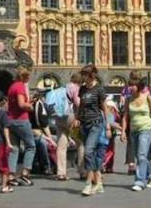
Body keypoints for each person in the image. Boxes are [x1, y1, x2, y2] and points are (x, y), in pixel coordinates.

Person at [126, 79, 151, 192]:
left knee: (141, 156)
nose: (131, 87)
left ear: (139, 86)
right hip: (134, 130)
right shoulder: (128, 99)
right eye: (130, 85)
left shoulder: (147, 97)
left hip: (146, 129)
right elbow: (126, 116)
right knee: (140, 156)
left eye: (133, 85)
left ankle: (139, 181)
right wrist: (123, 131)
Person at [77, 65, 110, 197]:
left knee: (88, 151)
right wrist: (77, 119)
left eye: (84, 75)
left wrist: (108, 125)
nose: (83, 77)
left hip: (96, 124)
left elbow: (104, 108)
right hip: (84, 124)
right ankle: (99, 183)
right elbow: (81, 106)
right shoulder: (83, 89)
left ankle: (88, 183)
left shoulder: (99, 89)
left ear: (91, 75)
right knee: (93, 153)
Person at [5, 67, 36, 186]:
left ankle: (11, 176)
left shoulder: (12, 87)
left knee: (14, 148)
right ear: (23, 76)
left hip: (11, 120)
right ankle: (25, 173)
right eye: (27, 77)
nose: (28, 79)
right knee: (31, 146)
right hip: (21, 120)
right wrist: (30, 106)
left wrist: (29, 101)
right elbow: (21, 104)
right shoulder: (20, 86)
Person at [45, 80, 74, 180]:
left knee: (61, 146)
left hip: (58, 118)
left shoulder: (57, 90)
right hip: (70, 117)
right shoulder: (74, 88)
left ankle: (61, 173)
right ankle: (83, 171)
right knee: (81, 143)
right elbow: (77, 103)